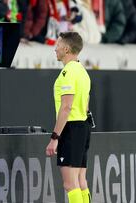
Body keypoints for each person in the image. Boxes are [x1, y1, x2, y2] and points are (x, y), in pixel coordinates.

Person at [46, 32, 91, 203]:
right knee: (81, 181)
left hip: (71, 129)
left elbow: (66, 107)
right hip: (83, 127)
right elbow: (86, 105)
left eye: (57, 45)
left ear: (66, 48)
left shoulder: (68, 73)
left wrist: (55, 137)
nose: (55, 49)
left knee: (70, 185)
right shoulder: (83, 72)